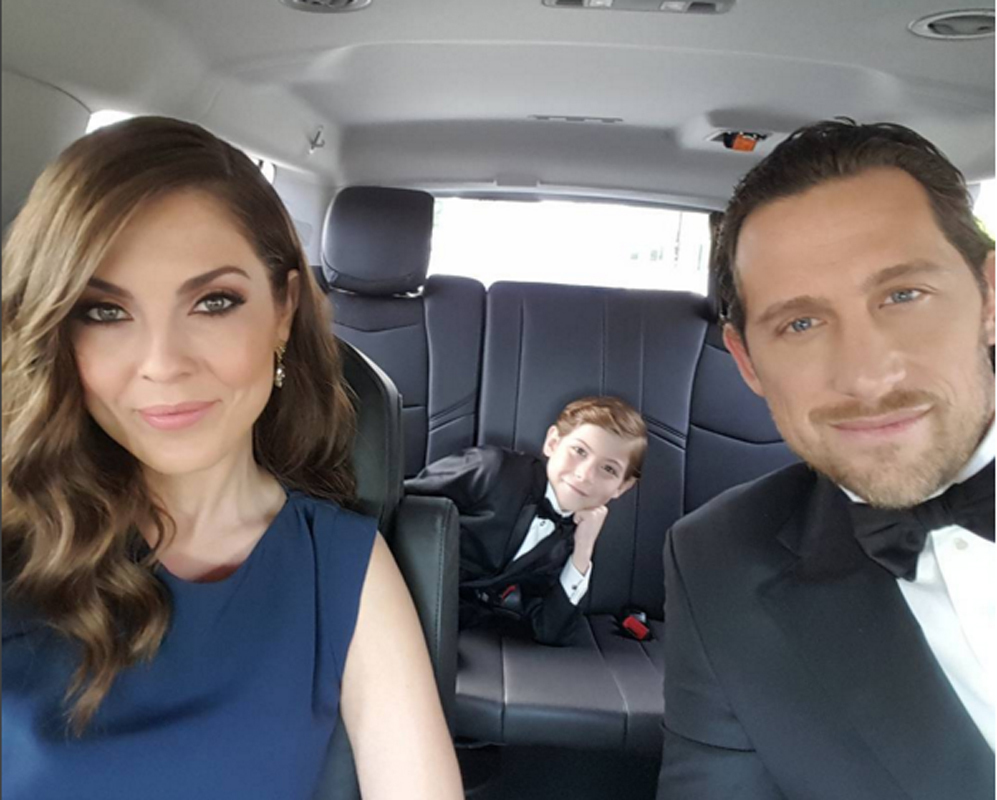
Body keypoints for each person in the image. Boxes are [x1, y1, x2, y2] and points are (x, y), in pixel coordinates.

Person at [1, 116, 463, 800]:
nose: (163, 364)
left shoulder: (341, 567)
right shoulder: (17, 540)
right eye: (104, 312)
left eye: (213, 302)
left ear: (283, 310)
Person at [656, 119, 995, 800]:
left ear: (990, 297)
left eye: (903, 296)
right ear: (747, 362)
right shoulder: (720, 562)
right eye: (801, 324)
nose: (866, 377)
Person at [406, 396, 647, 646]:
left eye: (608, 469)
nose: (585, 475)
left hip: (447, 620)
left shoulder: (568, 541)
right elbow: (399, 503)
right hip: (398, 584)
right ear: (553, 443)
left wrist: (583, 551)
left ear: (622, 487)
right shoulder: (491, 468)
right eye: (579, 451)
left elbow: (549, 630)